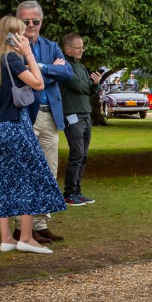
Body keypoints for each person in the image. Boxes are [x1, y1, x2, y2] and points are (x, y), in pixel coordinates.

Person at [0, 16, 65, 254]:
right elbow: (38, 84)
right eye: (21, 33)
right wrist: (28, 54)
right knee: (30, 178)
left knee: (3, 181)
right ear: (11, 37)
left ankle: (6, 238)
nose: (26, 35)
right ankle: (26, 238)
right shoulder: (11, 59)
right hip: (15, 126)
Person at [15, 1, 72, 243]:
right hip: (27, 114)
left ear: (41, 21)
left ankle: (39, 224)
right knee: (25, 171)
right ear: (18, 22)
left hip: (51, 115)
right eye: (26, 21)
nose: (31, 25)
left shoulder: (51, 46)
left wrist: (38, 67)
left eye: (35, 21)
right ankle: (21, 227)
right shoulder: (14, 46)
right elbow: (23, 78)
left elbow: (67, 73)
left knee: (49, 171)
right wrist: (50, 72)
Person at [58, 33, 102, 206]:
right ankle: (69, 193)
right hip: (72, 114)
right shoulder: (64, 66)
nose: (82, 50)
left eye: (83, 47)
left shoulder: (82, 67)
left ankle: (77, 191)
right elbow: (77, 85)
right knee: (76, 153)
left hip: (85, 114)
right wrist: (89, 86)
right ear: (68, 49)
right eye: (78, 47)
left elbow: (90, 91)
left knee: (83, 155)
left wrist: (95, 84)